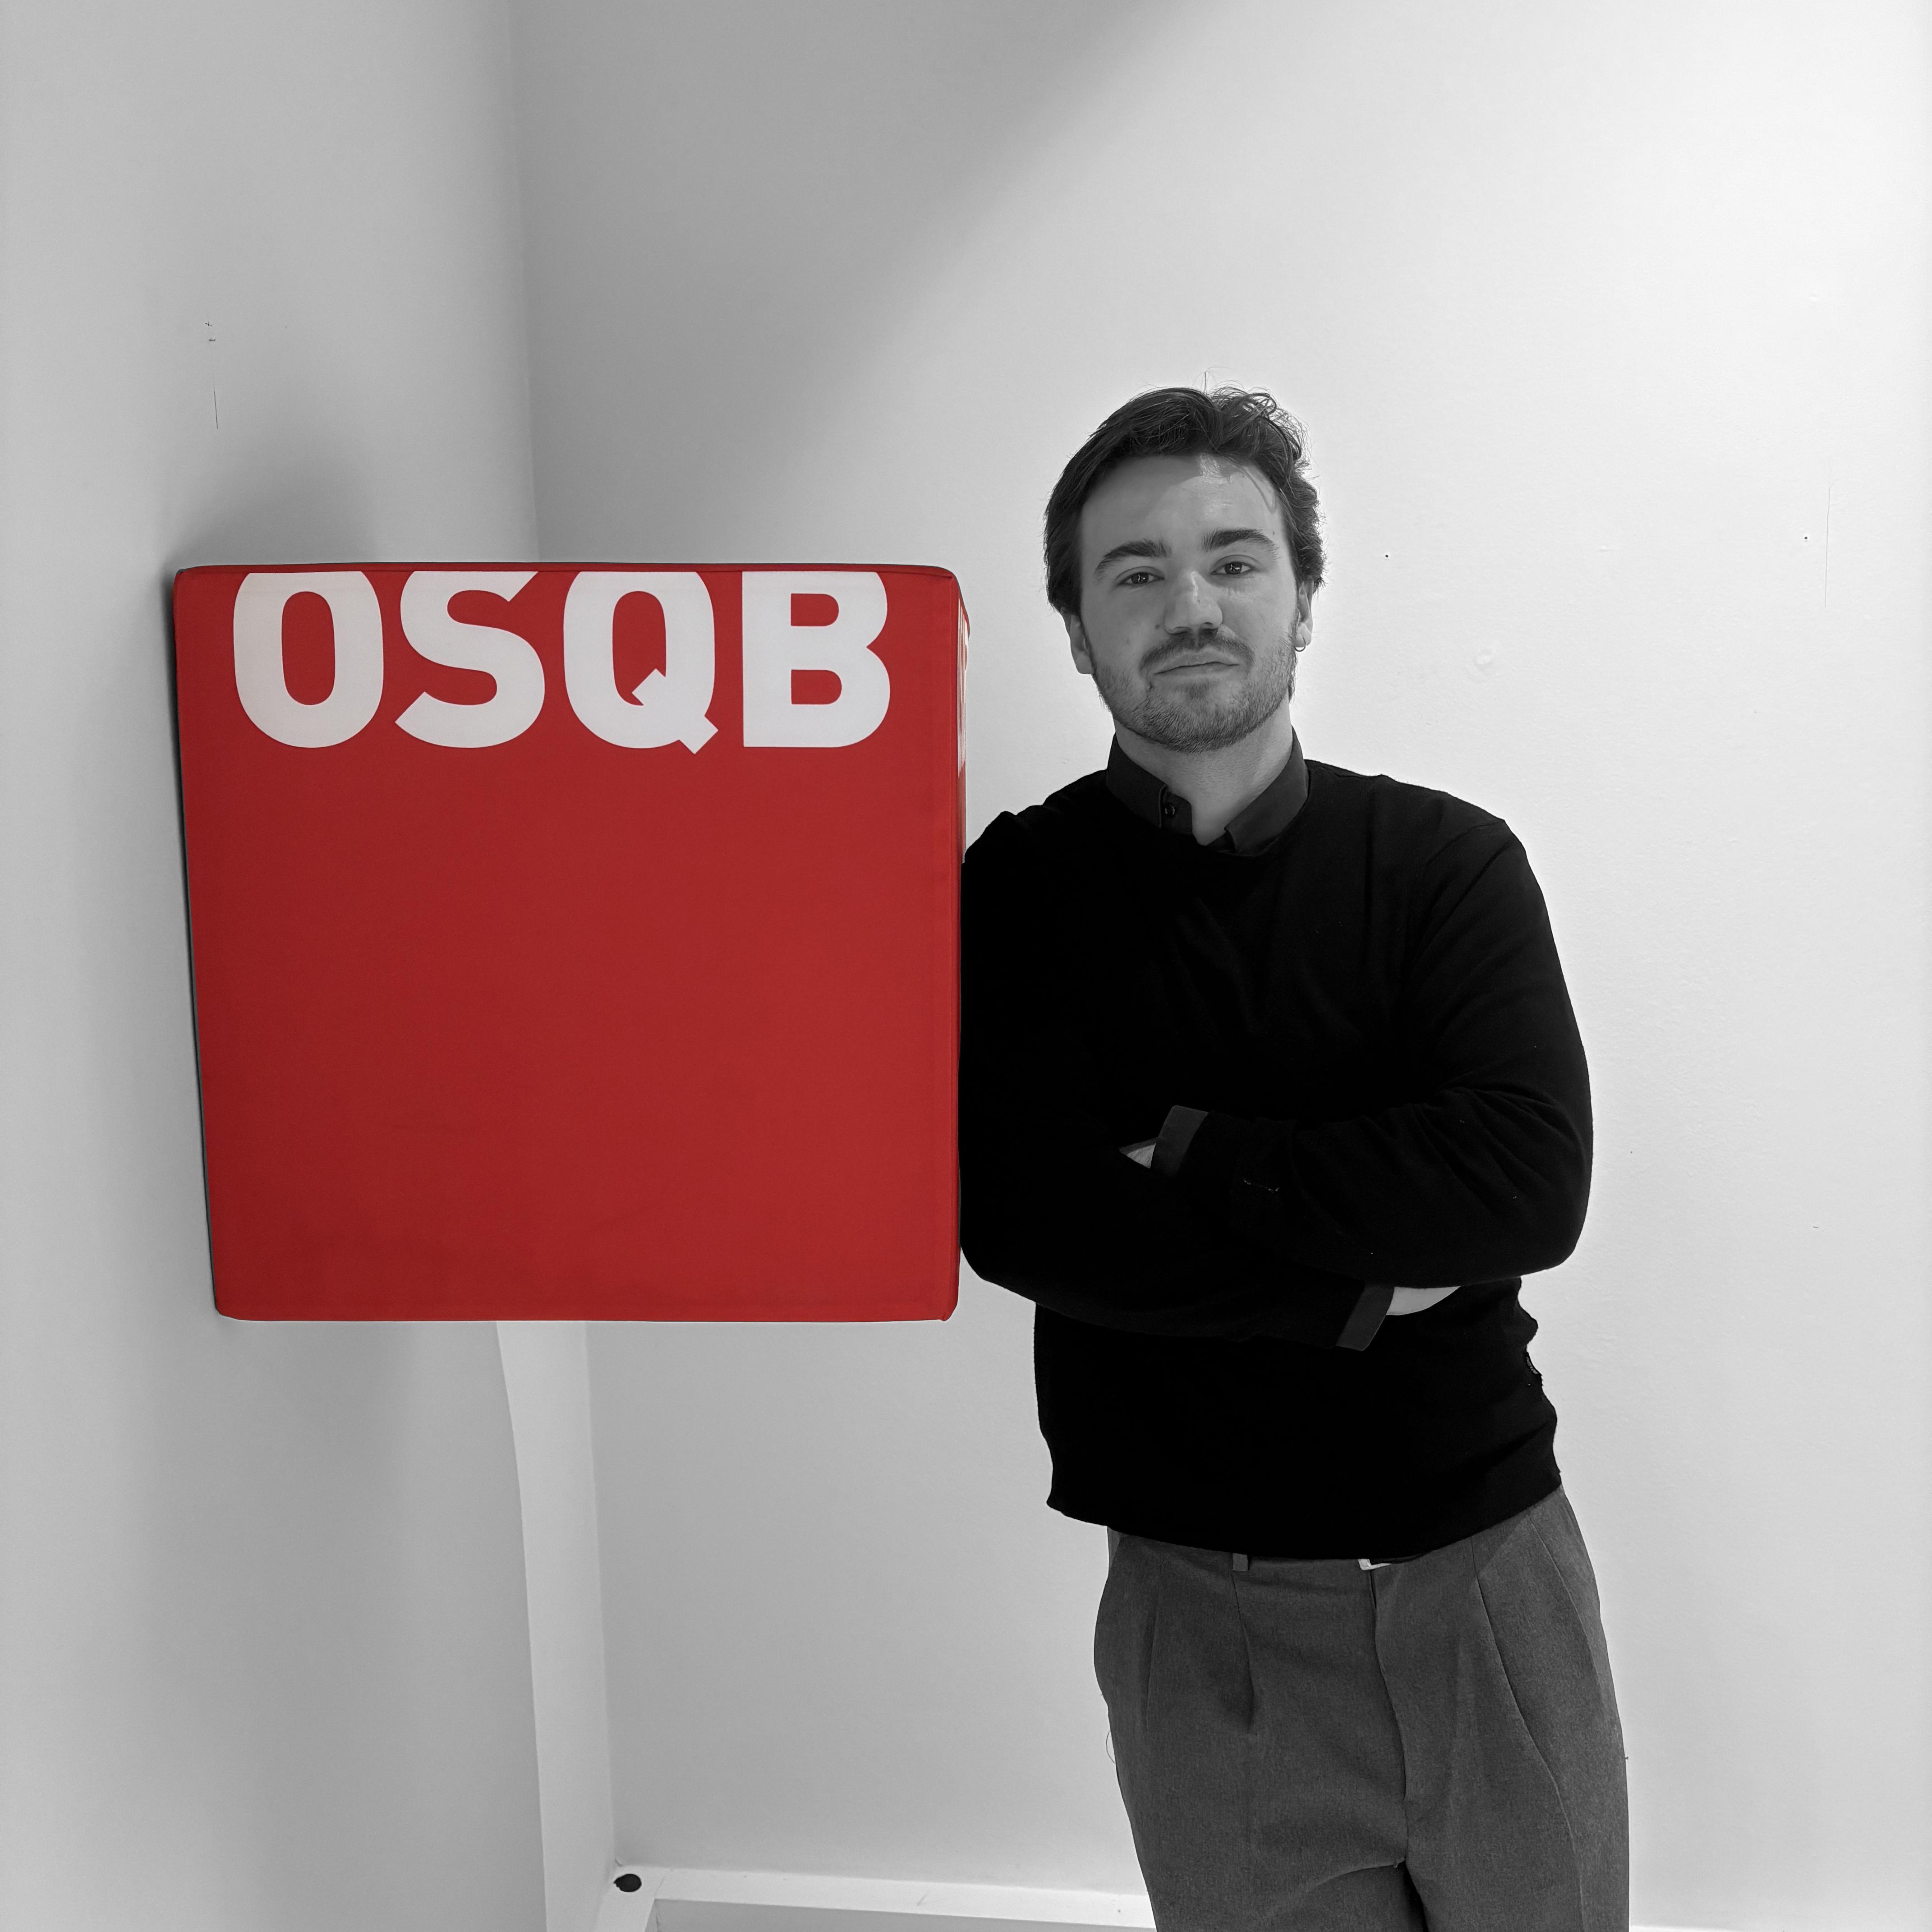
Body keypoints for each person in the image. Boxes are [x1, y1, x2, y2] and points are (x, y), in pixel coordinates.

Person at [958, 387, 1627, 1931]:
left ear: (1303, 597)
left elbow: (1526, 1182)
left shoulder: (1447, 865)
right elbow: (1028, 1220)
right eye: (1134, 571)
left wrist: (1185, 1147)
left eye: (1233, 559)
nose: (1189, 604)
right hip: (1206, 1618)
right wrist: (1361, 1284)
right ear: (1076, 631)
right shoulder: (1017, 895)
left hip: (1487, 1585)